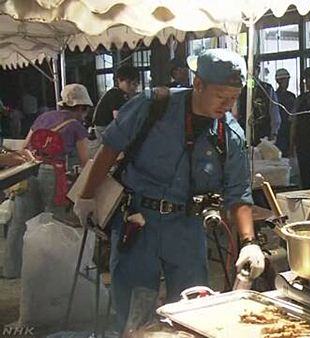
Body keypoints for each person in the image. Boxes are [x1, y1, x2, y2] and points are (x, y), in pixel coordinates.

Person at [72, 49, 265, 332]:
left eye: (234, 98)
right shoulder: (154, 105)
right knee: (134, 314)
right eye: (221, 96)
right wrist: (87, 195)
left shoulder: (229, 133)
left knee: (193, 311)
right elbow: (110, 148)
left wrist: (249, 242)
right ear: (198, 84)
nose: (227, 104)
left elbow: (238, 192)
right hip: (137, 223)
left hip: (187, 228)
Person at [2, 84, 90, 279]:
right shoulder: (76, 126)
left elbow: (25, 146)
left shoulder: (43, 117)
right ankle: (51, 270)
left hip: (28, 170)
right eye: (85, 110)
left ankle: (11, 269)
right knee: (54, 220)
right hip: (53, 174)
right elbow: (85, 161)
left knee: (20, 221)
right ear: (81, 107)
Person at [89, 65, 139, 158]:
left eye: (135, 84)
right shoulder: (116, 94)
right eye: (129, 83)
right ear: (119, 80)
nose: (132, 87)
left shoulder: (123, 95)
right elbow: (119, 120)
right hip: (104, 130)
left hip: (108, 129)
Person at [237, 65, 281, 146]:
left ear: (258, 70)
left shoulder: (267, 89)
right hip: (244, 131)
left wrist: (274, 132)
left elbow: (274, 112)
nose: (251, 72)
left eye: (254, 69)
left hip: (263, 133)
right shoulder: (242, 90)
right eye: (248, 70)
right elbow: (236, 112)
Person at [274, 68, 296, 157]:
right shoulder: (273, 96)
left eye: (287, 79)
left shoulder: (291, 96)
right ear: (278, 81)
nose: (286, 82)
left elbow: (294, 117)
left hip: (289, 130)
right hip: (278, 131)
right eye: (283, 80)